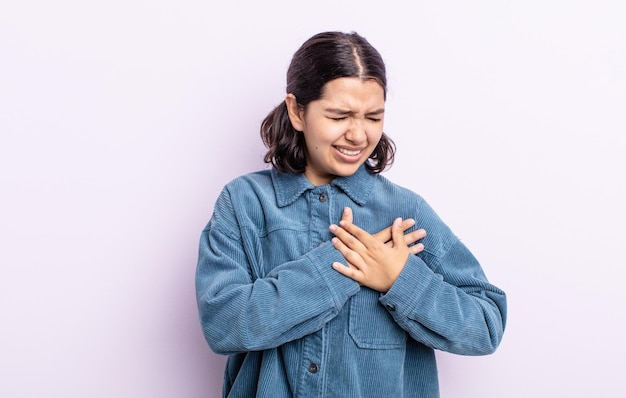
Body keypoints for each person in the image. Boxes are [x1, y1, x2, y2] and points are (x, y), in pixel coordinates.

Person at [195, 31, 507, 398]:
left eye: (373, 117)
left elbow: (486, 325)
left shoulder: (406, 214)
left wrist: (399, 279)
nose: (358, 135)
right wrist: (339, 267)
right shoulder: (244, 203)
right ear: (297, 111)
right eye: (339, 116)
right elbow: (224, 324)